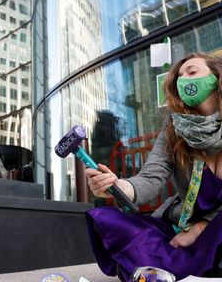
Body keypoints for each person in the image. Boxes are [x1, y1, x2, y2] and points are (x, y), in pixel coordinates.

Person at [85, 52, 222, 281]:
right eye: (179, 77)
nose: (184, 80)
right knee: (112, 221)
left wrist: (200, 229)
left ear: (216, 77)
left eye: (192, 72)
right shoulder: (174, 127)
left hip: (214, 229)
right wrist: (117, 186)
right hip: (178, 227)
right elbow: (150, 178)